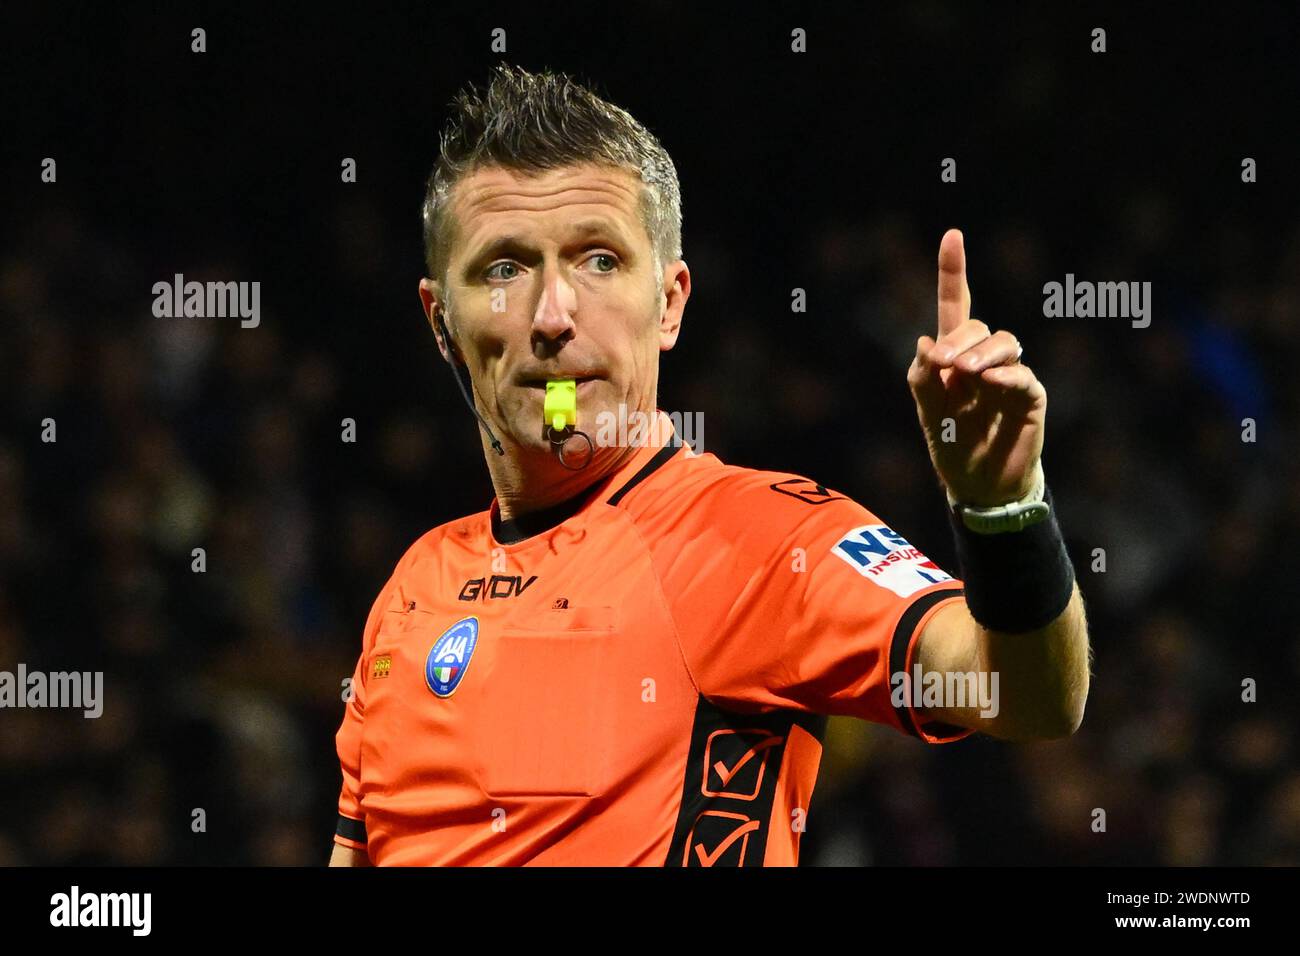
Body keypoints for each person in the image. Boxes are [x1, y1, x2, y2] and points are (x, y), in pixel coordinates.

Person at [329, 64, 1090, 867]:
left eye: (598, 261)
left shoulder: (755, 541)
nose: (553, 316)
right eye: (504, 269)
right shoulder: (412, 592)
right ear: (440, 321)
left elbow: (1028, 696)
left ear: (670, 302)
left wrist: (1004, 510)